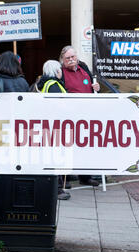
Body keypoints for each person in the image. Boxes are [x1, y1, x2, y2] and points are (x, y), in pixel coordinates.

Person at [59, 45, 100, 187]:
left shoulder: (84, 68)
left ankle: (85, 176)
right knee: (67, 146)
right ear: (62, 60)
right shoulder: (60, 72)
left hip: (87, 114)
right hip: (69, 115)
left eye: (73, 57)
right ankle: (64, 178)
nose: (71, 60)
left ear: (77, 57)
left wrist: (96, 88)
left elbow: (92, 87)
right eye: (67, 58)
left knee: (85, 145)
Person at [36, 59, 71, 200]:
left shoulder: (44, 83)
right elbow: (59, 106)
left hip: (49, 126)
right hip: (56, 126)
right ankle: (57, 190)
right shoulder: (54, 85)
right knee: (56, 159)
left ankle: (55, 188)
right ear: (57, 71)